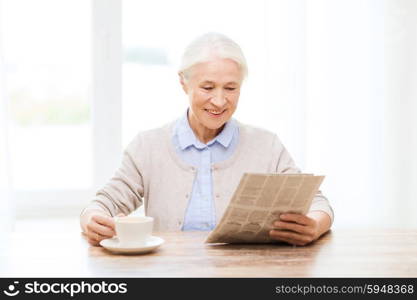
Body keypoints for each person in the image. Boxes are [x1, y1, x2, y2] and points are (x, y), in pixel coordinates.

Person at [80, 32, 334, 247]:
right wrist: (92, 220)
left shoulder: (266, 146)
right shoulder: (148, 146)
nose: (220, 101)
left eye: (231, 88)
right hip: (172, 274)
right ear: (183, 83)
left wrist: (315, 224)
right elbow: (102, 204)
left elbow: (318, 202)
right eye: (208, 87)